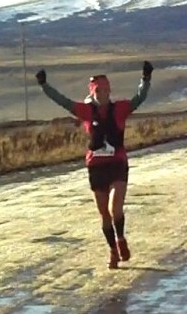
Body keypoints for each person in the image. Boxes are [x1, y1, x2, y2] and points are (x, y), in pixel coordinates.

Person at [35, 61, 153, 269]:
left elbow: (140, 98)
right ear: (93, 92)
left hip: (117, 164)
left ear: (110, 91)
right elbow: (62, 101)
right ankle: (112, 251)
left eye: (106, 89)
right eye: (99, 90)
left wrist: (145, 78)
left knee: (115, 208)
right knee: (104, 215)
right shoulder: (86, 111)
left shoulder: (120, 109)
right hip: (96, 167)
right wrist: (45, 86)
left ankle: (121, 239)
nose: (103, 93)